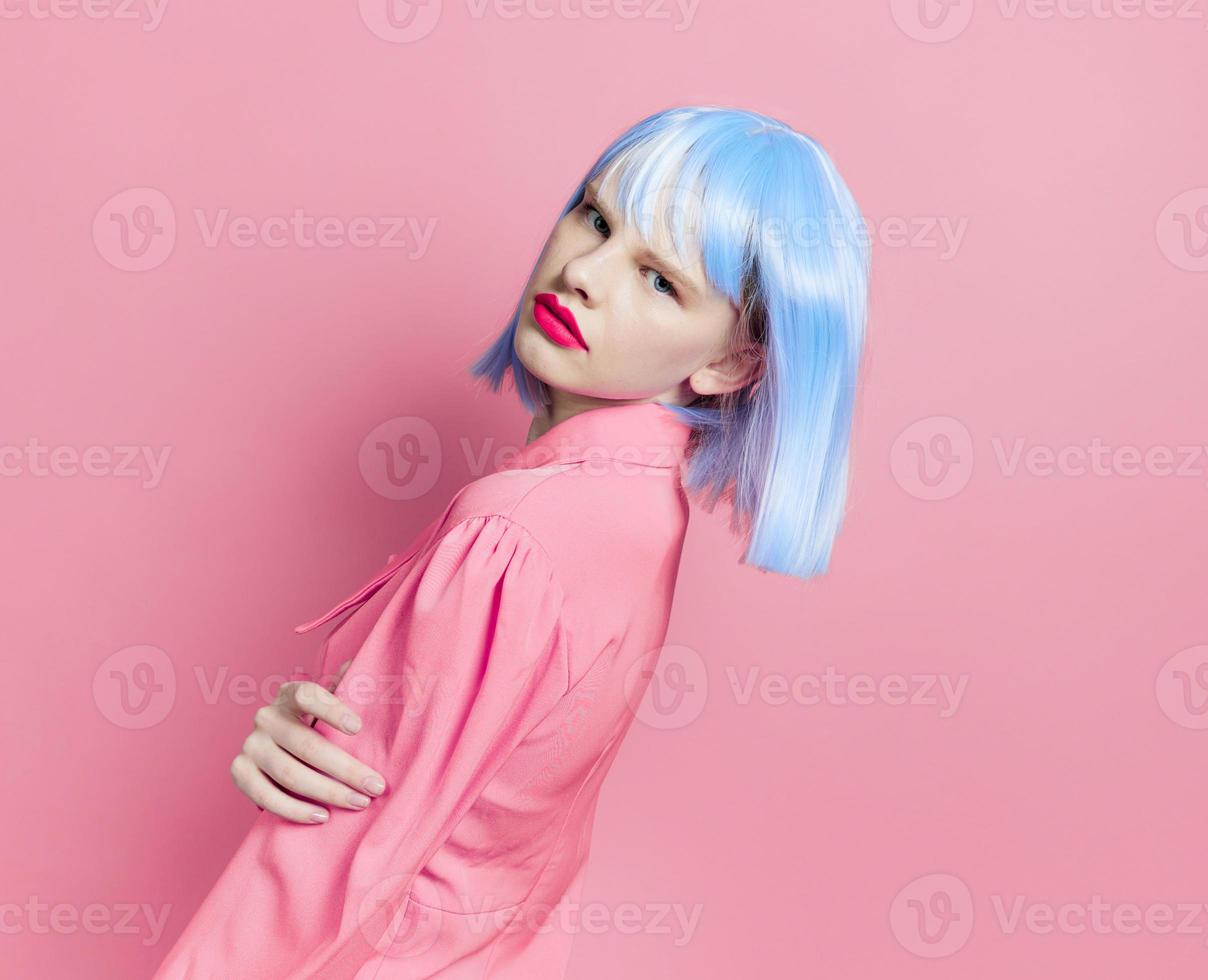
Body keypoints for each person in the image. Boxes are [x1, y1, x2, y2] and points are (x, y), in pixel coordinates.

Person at [150, 104, 871, 978]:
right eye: (597, 218)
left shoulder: (516, 535)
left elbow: (333, 871)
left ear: (729, 365)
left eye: (659, 280)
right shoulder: (637, 518)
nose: (585, 273)